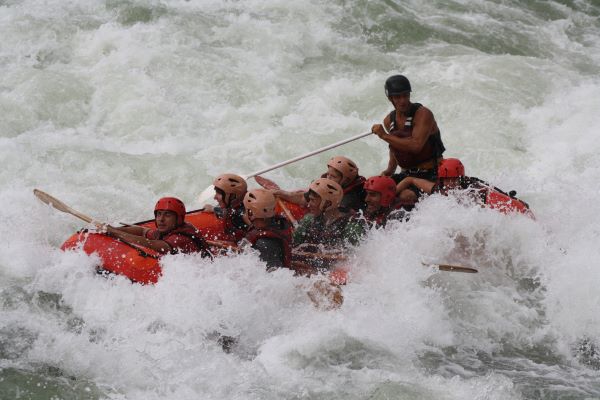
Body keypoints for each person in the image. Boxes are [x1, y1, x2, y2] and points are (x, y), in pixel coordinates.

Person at [371, 75, 446, 205]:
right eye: (397, 97)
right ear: (390, 98)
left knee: (406, 195)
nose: (403, 101)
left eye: (405, 95)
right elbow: (395, 145)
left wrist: (384, 136)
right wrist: (389, 170)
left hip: (431, 173)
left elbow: (416, 145)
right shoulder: (388, 120)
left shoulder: (423, 114)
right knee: (374, 191)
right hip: (405, 174)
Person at [97, 197, 211, 257]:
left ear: (178, 219)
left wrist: (114, 232)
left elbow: (150, 244)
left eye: (167, 215)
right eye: (159, 214)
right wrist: (114, 229)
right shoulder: (167, 230)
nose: (161, 219)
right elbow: (142, 231)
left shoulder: (179, 238)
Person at [293, 178, 365, 251]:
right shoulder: (309, 220)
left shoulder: (351, 227)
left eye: (313, 200)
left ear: (327, 203)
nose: (309, 205)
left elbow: (351, 255)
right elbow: (294, 245)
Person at [273, 155, 366, 212]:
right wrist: (286, 194)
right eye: (328, 174)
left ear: (346, 180)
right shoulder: (333, 186)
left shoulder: (349, 199)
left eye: (333, 176)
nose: (328, 178)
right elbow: (303, 198)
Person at [242, 189, 292, 270]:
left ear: (250, 212)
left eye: (246, 210)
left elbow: (272, 274)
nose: (244, 213)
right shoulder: (278, 223)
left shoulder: (264, 243)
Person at [203, 173, 249, 242]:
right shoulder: (237, 208)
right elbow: (230, 213)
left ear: (232, 196)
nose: (215, 197)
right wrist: (214, 209)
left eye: (218, 193)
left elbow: (235, 214)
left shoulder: (244, 215)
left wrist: (214, 209)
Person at [395, 158, 465, 198]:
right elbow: (410, 179)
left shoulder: (468, 188)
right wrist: (392, 195)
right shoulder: (437, 189)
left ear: (460, 179)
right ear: (441, 180)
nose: (451, 184)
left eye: (454, 180)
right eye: (447, 180)